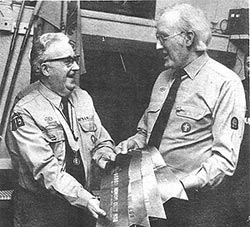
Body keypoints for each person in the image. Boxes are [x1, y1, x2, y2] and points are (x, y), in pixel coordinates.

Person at [115, 3, 246, 227]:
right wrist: (131, 143)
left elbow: (224, 161)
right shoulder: (163, 79)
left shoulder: (226, 83)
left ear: (188, 37)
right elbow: (145, 132)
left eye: (163, 37)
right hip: (148, 199)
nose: (158, 46)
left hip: (192, 206)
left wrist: (179, 186)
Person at [5, 32, 116, 227]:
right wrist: (85, 198)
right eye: (67, 61)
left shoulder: (84, 99)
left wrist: (105, 155)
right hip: (40, 212)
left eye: (75, 59)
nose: (76, 67)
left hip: (80, 208)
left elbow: (101, 140)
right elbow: (46, 170)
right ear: (46, 69)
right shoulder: (25, 110)